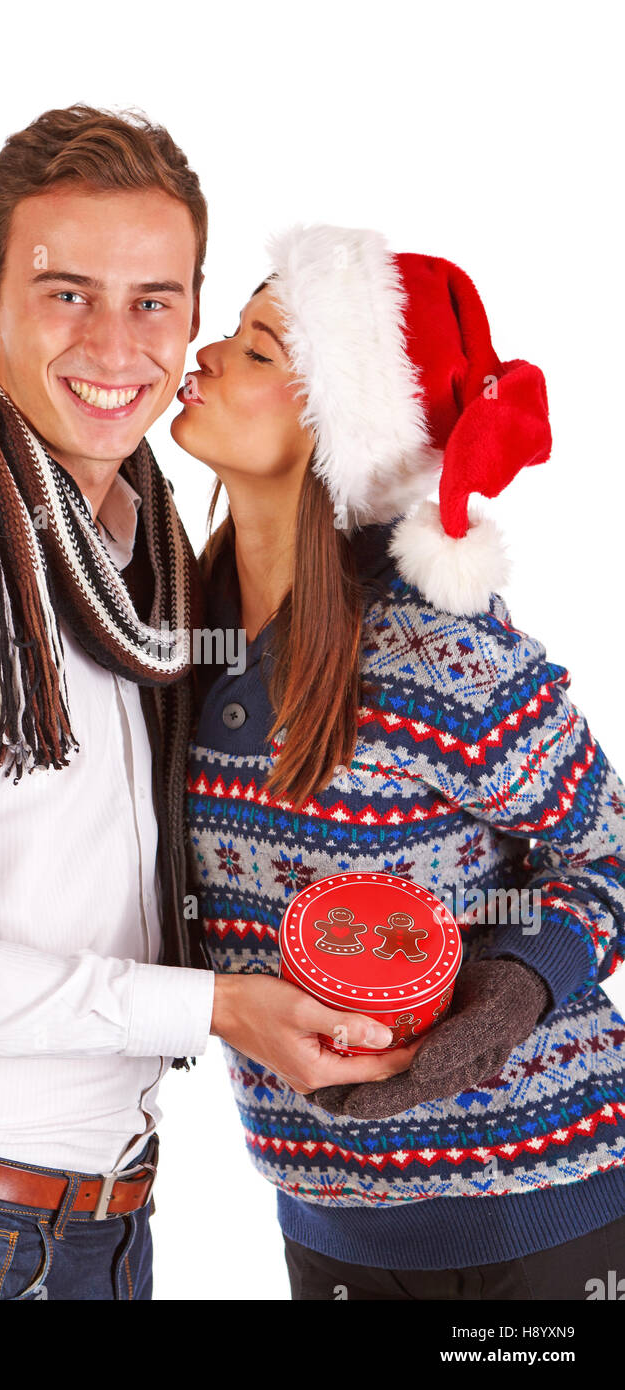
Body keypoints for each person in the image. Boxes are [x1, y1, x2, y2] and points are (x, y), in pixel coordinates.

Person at [0, 114, 414, 1303]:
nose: (115, 346)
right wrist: (216, 1005)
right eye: (66, 293)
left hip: (103, 1225)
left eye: (154, 301)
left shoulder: (147, 572)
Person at [173, 223, 625, 1300]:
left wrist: (514, 987)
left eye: (255, 350)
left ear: (341, 424)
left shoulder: (439, 652)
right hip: (324, 1221)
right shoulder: (179, 639)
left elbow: (605, 853)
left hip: (539, 1215)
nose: (203, 355)